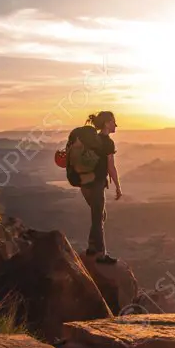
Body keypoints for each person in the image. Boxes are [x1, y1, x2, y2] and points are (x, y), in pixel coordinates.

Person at [75, 110, 122, 264]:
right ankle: (101, 254)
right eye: (114, 122)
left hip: (85, 183)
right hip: (96, 184)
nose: (116, 125)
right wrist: (118, 186)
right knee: (98, 218)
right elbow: (111, 167)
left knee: (99, 215)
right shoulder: (107, 142)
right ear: (107, 123)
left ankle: (92, 247)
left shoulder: (92, 140)